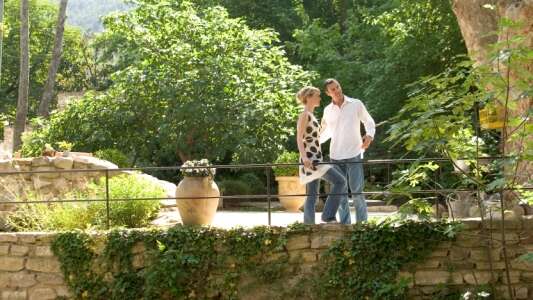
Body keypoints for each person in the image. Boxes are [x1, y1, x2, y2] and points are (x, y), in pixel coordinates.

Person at [320, 79, 375, 224]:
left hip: (354, 154)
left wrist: (369, 136)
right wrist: (312, 143)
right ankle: (345, 226)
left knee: (357, 192)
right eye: (333, 89)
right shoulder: (327, 110)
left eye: (337, 86)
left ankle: (362, 225)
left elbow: (369, 122)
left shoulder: (355, 104)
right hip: (335, 156)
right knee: (341, 195)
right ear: (327, 93)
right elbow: (326, 133)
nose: (337, 90)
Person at [295, 86, 347, 224]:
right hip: (311, 160)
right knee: (340, 181)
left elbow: (315, 137)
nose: (319, 98)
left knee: (312, 194)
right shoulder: (304, 115)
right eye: (317, 95)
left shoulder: (311, 116)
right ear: (309, 97)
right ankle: (327, 216)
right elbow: (299, 138)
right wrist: (305, 158)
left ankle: (308, 225)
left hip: (316, 158)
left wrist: (324, 125)